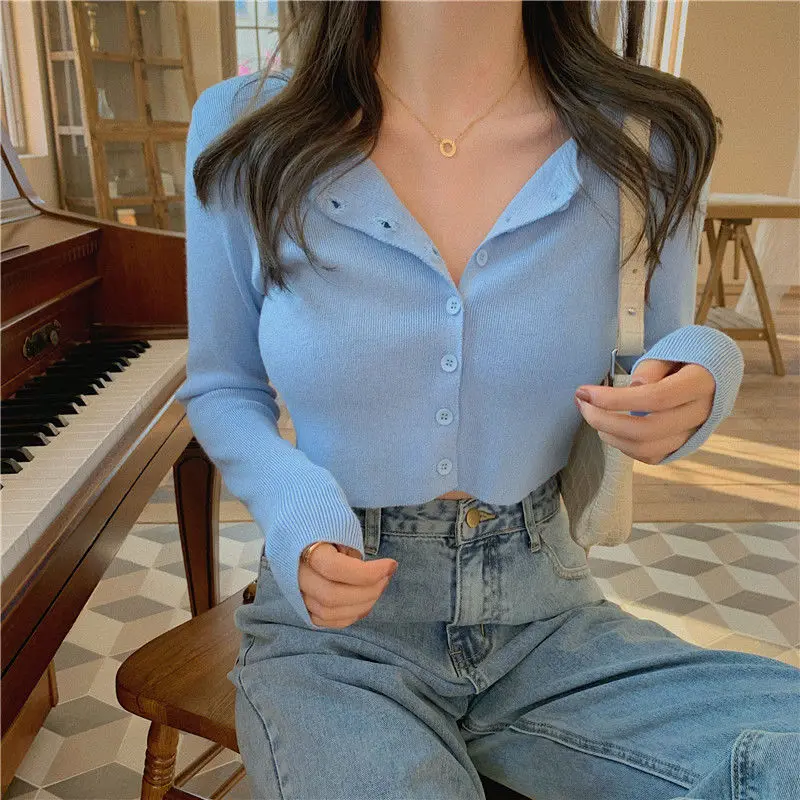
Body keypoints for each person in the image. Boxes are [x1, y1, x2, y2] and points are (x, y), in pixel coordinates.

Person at [176, 2, 799, 798]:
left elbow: (659, 350)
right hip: (337, 637)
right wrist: (294, 502)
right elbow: (223, 384)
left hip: (550, 614)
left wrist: (708, 368)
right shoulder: (246, 128)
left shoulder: (647, 136)